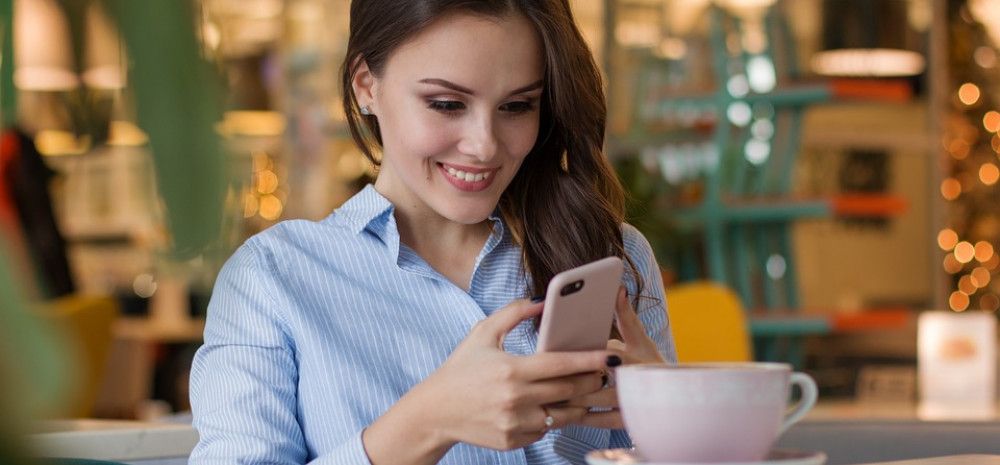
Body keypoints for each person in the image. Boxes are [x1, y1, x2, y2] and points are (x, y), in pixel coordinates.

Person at [189, 0, 677, 464]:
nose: (484, 145)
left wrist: (679, 423)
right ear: (366, 85)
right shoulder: (273, 278)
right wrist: (430, 421)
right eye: (446, 104)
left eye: (517, 106)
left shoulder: (608, 255)